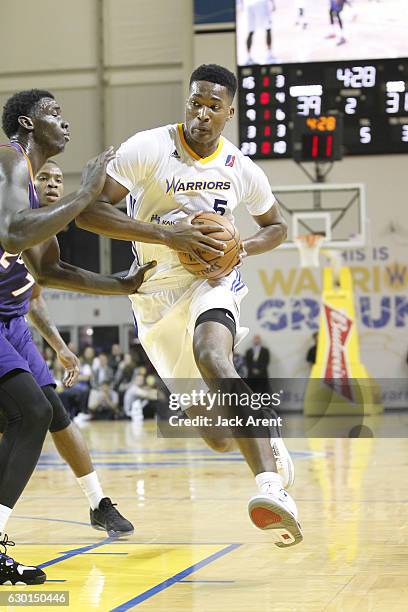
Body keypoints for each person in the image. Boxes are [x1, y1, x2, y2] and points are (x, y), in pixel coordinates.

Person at [75, 64, 302, 547]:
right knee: (217, 437)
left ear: (229, 112)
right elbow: (90, 212)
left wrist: (244, 247)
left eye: (213, 106)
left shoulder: (242, 168)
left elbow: (277, 226)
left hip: (213, 282)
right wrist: (167, 234)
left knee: (213, 353)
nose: (202, 113)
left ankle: (272, 488)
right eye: (195, 102)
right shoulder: (149, 147)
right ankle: (266, 435)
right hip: (154, 295)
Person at [0, 89, 152, 584]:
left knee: (43, 411)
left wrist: (120, 286)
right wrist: (86, 193)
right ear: (26, 122)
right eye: (53, 114)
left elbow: (49, 267)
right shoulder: (7, 160)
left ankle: (95, 503)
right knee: (34, 412)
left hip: (9, 321)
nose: (64, 122)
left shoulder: (28, 187)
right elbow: (12, 235)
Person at [244, 0, 276, 65]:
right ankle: (269, 54)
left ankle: (248, 57)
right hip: (261, 3)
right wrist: (273, 3)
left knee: (250, 31)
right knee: (268, 28)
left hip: (248, 3)